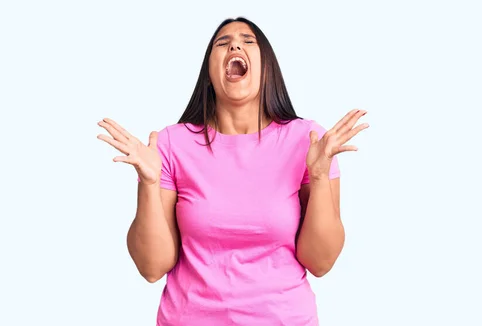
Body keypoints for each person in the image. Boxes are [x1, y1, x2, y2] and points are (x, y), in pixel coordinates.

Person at [97, 17, 368, 325]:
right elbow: (151, 266)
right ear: (209, 74)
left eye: (248, 41)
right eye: (222, 43)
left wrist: (319, 178)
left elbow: (320, 262)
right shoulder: (172, 144)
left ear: (267, 68)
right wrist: (148, 182)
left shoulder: (308, 141)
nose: (235, 45)